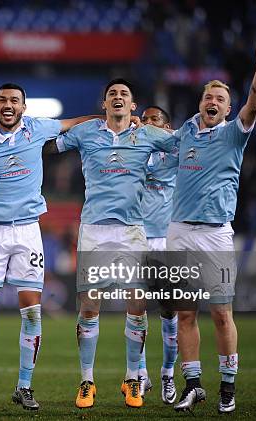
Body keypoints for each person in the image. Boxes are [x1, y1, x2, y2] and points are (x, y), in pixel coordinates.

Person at [0, 82, 98, 410]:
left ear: (23, 107)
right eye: (2, 100)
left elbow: (74, 123)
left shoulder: (37, 128)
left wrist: (109, 116)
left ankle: (24, 385)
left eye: (14, 101)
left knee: (32, 311)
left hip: (27, 232)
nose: (8, 105)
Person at [54, 79, 178, 410]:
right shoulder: (88, 132)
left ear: (133, 106)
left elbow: (183, 145)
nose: (118, 97)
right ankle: (87, 380)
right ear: (104, 104)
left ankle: (132, 378)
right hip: (94, 229)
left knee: (136, 306)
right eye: (113, 95)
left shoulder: (146, 135)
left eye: (124, 94)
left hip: (132, 230)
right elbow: (46, 143)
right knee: (89, 306)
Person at [169, 32, 256, 414]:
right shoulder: (184, 133)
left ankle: (227, 387)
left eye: (219, 99)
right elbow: (159, 148)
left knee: (220, 313)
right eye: (207, 97)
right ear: (199, 103)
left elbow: (255, 103)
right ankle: (193, 384)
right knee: (184, 311)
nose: (212, 102)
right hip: (179, 230)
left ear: (228, 110)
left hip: (215, 234)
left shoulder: (233, 134)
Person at [138, 106, 179, 404]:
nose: (148, 123)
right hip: (135, 239)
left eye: (155, 119)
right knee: (135, 310)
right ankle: (139, 374)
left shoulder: (176, 151)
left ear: (166, 127)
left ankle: (167, 373)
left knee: (169, 310)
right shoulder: (133, 148)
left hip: (167, 241)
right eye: (145, 118)